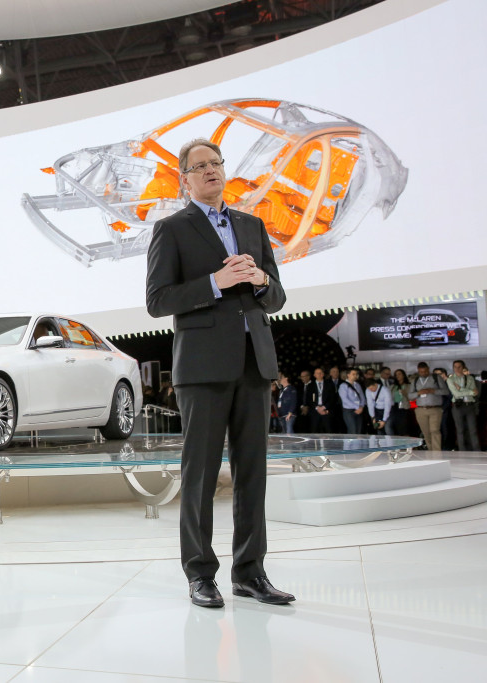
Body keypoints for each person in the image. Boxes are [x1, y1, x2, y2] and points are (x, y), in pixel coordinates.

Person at [146, 138, 294, 608]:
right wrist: (216, 282)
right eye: (200, 166)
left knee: (253, 474)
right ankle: (199, 574)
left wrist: (261, 279)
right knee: (201, 475)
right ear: (184, 178)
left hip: (254, 360)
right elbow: (158, 301)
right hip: (203, 366)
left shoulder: (251, 225)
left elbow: (277, 296)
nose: (210, 171)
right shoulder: (172, 229)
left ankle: (250, 573)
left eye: (216, 163)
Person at [409, 362, 447, 452]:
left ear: (428, 369)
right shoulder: (415, 381)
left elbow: (445, 391)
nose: (423, 373)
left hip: (435, 408)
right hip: (421, 409)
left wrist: (433, 391)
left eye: (425, 371)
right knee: (426, 432)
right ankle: (431, 451)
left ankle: (437, 452)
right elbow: (410, 396)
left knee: (435, 430)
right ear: (418, 371)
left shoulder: (436, 378)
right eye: (421, 372)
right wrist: (418, 393)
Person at [448, 360, 481, 451]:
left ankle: (477, 450)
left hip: (469, 405)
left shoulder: (469, 378)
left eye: (459, 367)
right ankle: (462, 451)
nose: (457, 369)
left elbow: (475, 393)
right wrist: (469, 391)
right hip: (458, 406)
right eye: (455, 367)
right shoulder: (451, 379)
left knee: (473, 430)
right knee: (460, 430)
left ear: (463, 367)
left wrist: (461, 389)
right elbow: (456, 394)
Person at [305, 367, 337, 433]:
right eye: (317, 373)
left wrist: (324, 407)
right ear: (314, 375)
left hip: (326, 411)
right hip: (315, 411)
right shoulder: (310, 386)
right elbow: (308, 399)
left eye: (321, 373)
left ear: (323, 374)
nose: (319, 374)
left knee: (329, 431)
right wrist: (317, 408)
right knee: (314, 431)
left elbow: (333, 398)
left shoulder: (329, 384)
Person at [339, 368, 367, 434]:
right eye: (353, 374)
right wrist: (357, 407)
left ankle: (357, 444)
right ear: (348, 375)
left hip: (359, 410)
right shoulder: (343, 386)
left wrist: (362, 406)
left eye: (356, 374)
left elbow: (362, 397)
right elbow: (345, 399)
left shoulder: (357, 385)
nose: (355, 376)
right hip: (349, 410)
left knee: (358, 430)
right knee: (352, 430)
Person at [387, 368, 412, 437]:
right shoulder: (393, 386)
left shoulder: (408, 386)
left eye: (399, 374)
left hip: (404, 407)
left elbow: (411, 398)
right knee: (395, 426)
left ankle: (407, 444)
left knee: (404, 426)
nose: (397, 376)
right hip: (394, 407)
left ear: (403, 375)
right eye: (396, 375)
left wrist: (405, 393)